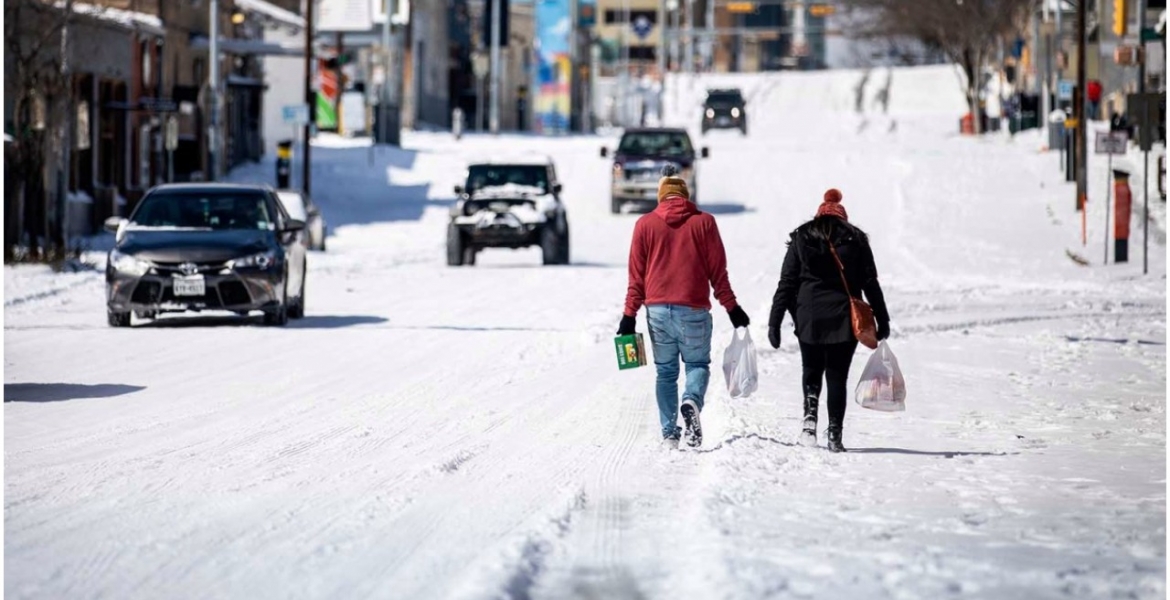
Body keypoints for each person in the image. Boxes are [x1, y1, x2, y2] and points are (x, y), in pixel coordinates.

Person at [619, 165, 750, 449]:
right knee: (697, 364)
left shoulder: (644, 225)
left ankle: (669, 434)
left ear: (661, 196)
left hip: (657, 312)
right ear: (685, 196)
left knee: (665, 372)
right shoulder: (705, 222)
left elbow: (636, 277)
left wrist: (629, 315)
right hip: (693, 310)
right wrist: (732, 308)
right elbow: (719, 273)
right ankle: (691, 400)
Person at [767, 189, 889, 453]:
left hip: (808, 316)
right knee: (837, 376)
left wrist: (774, 322)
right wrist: (882, 318)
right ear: (842, 216)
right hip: (844, 318)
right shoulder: (856, 239)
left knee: (811, 370)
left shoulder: (801, 237)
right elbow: (870, 283)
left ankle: (809, 420)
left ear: (819, 214)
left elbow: (787, 283)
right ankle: (835, 433)